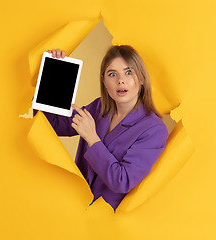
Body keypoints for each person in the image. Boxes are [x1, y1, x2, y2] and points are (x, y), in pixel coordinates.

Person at [36, 46, 168, 210]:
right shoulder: (99, 108)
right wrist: (55, 72)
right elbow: (53, 124)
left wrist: (92, 138)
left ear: (141, 78)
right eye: (112, 74)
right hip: (74, 207)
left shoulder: (154, 129)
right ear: (104, 82)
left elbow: (122, 181)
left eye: (128, 72)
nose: (121, 80)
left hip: (109, 222)